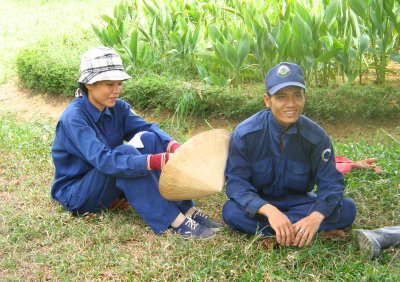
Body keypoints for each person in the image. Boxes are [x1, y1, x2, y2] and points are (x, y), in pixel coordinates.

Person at [51, 46, 223, 239]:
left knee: (150, 139)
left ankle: (187, 210)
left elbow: (148, 129)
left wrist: (172, 146)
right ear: (89, 84)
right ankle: (175, 221)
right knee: (126, 154)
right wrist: (153, 161)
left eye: (119, 83)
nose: (117, 90)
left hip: (107, 180)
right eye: (110, 84)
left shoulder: (118, 107)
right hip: (78, 193)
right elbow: (104, 161)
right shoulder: (74, 117)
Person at [222, 62, 357, 247]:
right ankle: (303, 234)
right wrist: (271, 212)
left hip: (300, 202)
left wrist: (316, 217)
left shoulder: (316, 137)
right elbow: (237, 184)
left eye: (297, 96)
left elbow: (331, 184)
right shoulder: (245, 134)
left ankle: (284, 234)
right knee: (231, 212)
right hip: (262, 205)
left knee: (347, 209)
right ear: (267, 100)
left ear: (304, 97)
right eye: (281, 97)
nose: (291, 104)